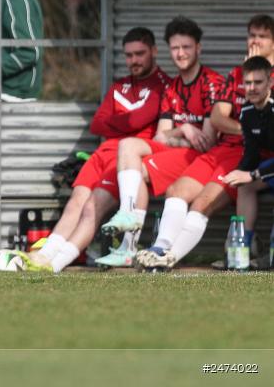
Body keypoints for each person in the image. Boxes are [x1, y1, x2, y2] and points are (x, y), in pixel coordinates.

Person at [24, 27, 170, 272]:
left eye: (140, 54)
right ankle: (43, 257)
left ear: (154, 51)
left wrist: (118, 122)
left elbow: (135, 121)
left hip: (126, 160)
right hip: (102, 153)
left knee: (92, 208)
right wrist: (127, 122)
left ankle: (57, 264)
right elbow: (97, 124)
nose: (134, 60)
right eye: (129, 55)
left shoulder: (162, 85)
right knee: (75, 203)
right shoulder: (119, 86)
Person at [135, 16, 274, 270]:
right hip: (222, 149)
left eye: (262, 36)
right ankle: (159, 248)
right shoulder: (236, 74)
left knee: (202, 203)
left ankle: (170, 258)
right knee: (176, 191)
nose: (255, 40)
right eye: (251, 35)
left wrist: (252, 131)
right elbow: (219, 117)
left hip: (249, 155)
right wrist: (247, 128)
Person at [101, 17, 223, 256]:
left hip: (199, 159)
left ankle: (128, 247)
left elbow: (206, 142)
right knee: (128, 147)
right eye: (176, 48)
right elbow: (160, 137)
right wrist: (184, 129)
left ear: (198, 47)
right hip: (179, 152)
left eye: (186, 47)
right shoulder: (171, 88)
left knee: (136, 172)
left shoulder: (212, 83)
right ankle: (127, 221)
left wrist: (173, 135)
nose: (181, 53)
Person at [224, 56, 274, 266]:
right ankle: (242, 246)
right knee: (244, 186)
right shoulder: (246, 112)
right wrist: (236, 174)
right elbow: (252, 154)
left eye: (258, 82)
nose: (252, 88)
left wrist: (253, 174)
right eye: (248, 83)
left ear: (270, 82)